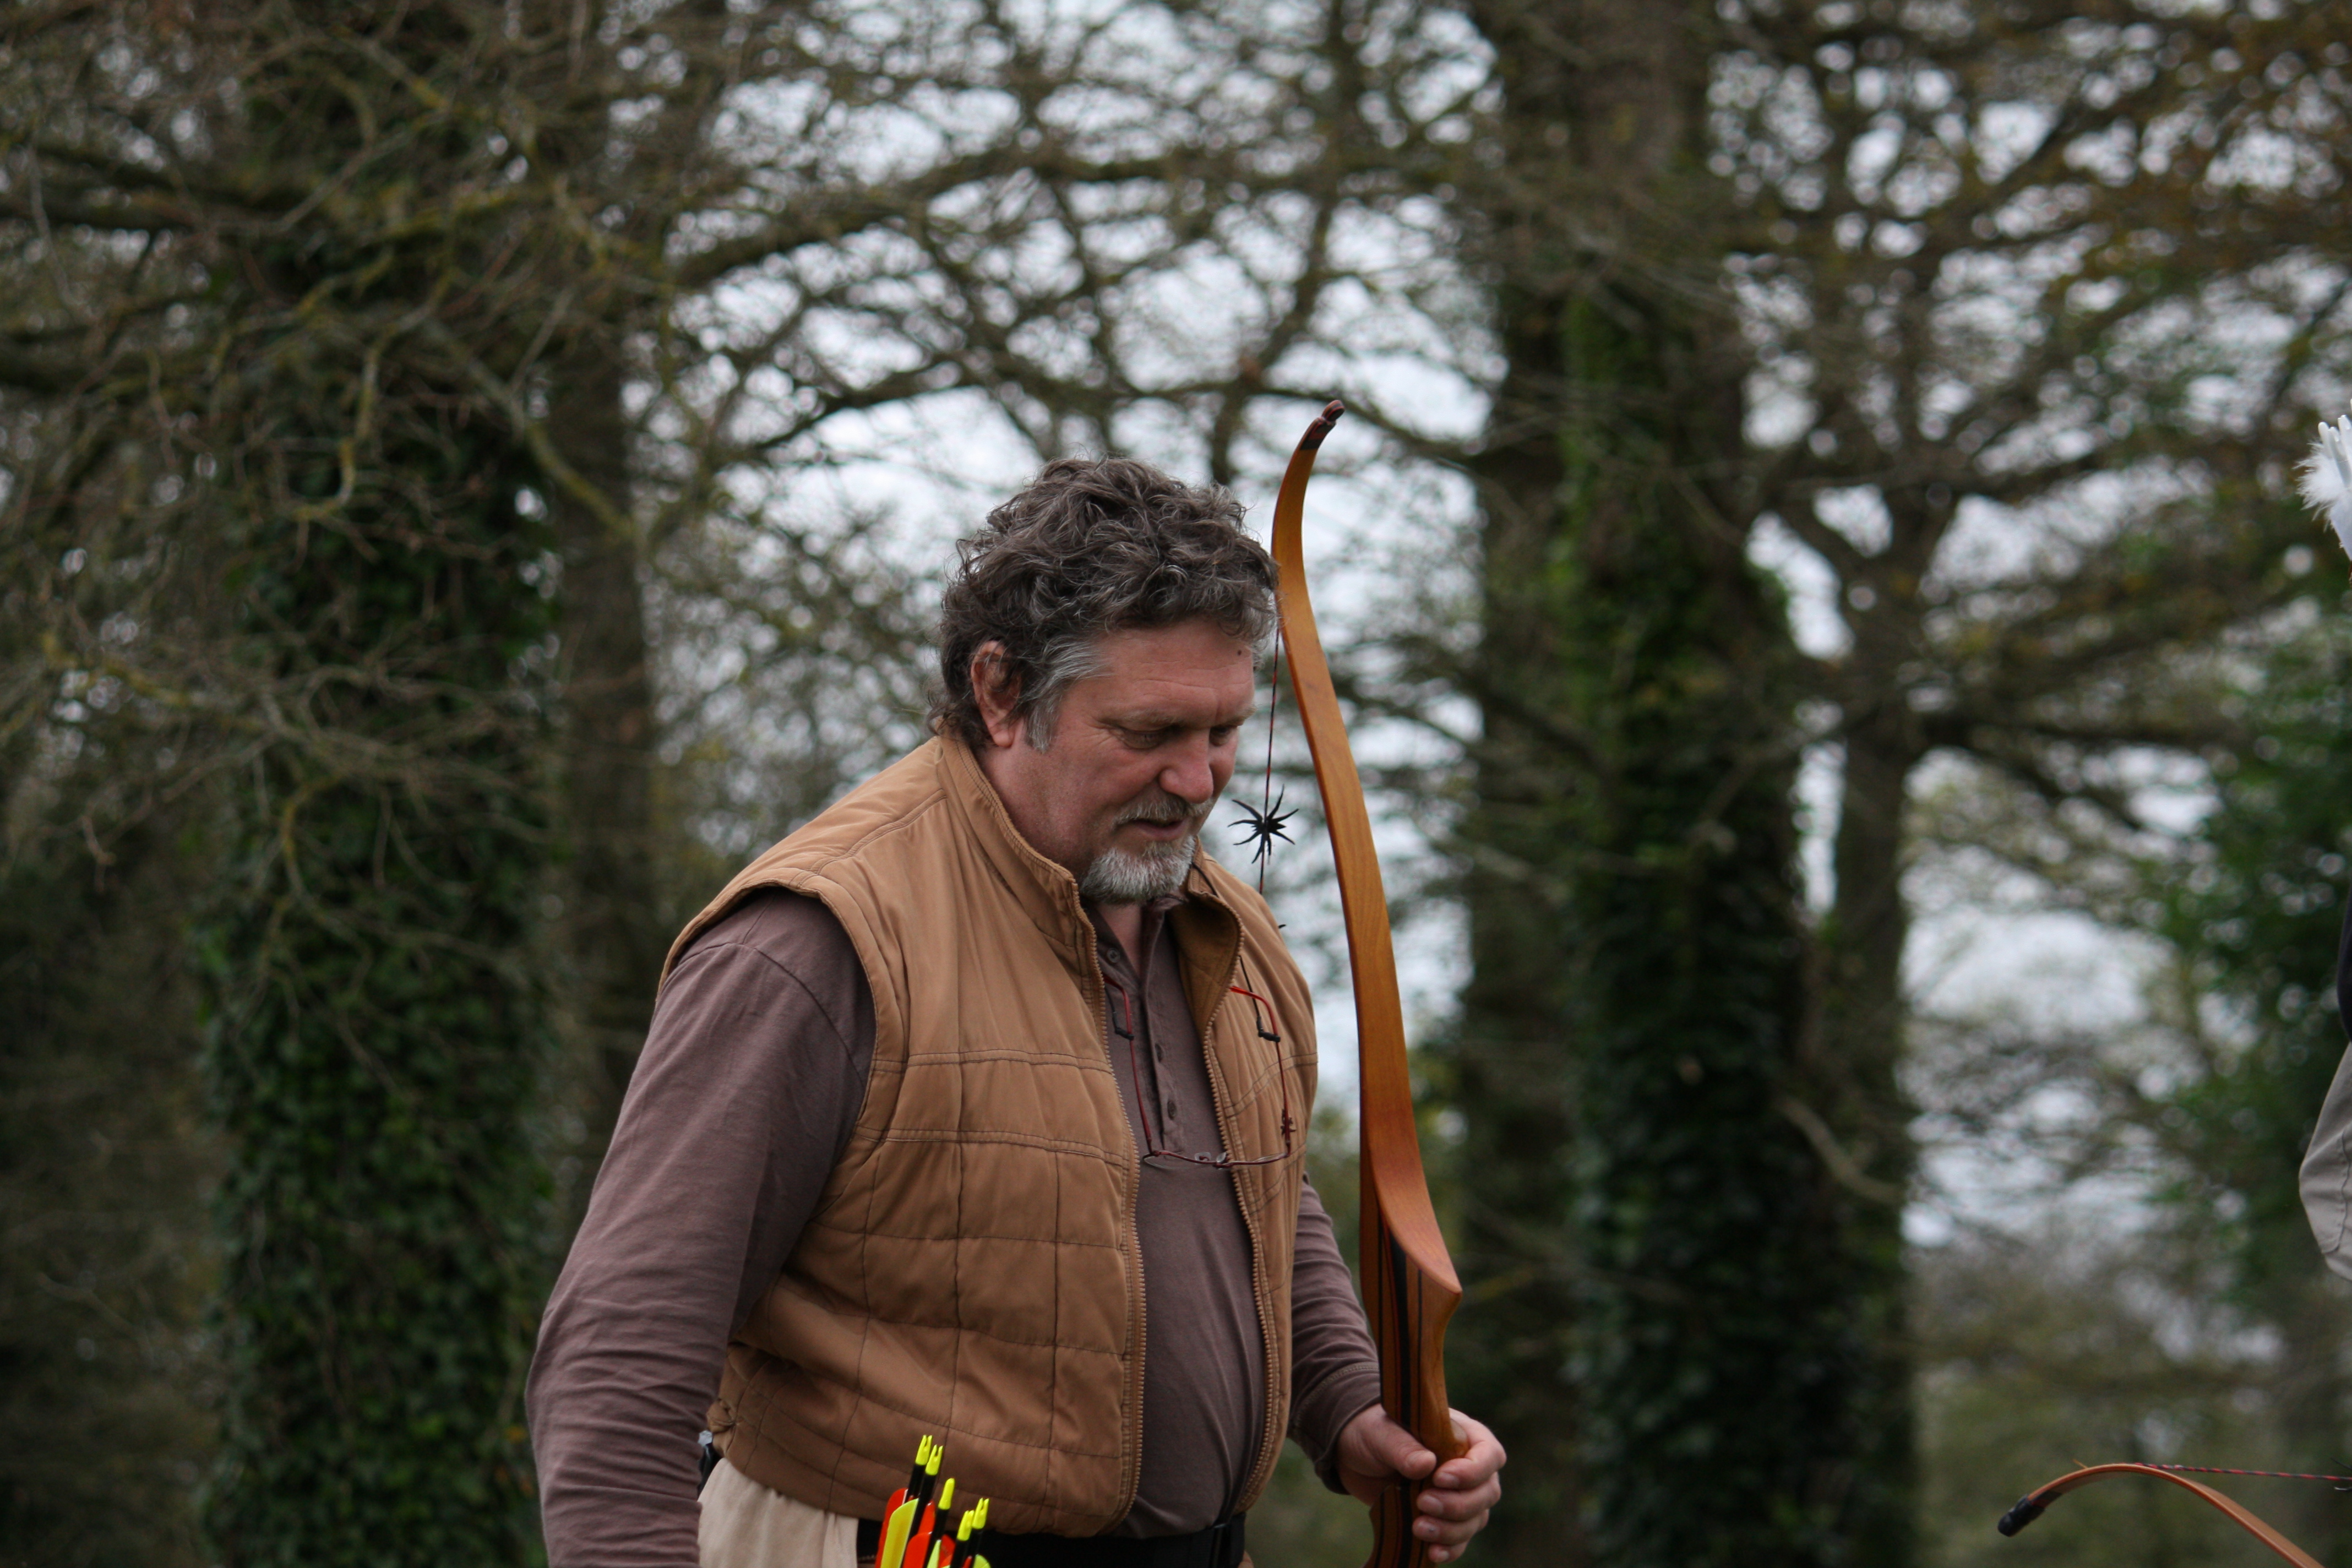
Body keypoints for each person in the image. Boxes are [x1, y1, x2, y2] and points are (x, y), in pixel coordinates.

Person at [527, 457, 1506, 1568]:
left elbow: (1259, 1192)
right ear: (1001, 694)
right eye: (1149, 732)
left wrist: (1352, 1403)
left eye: (1224, 731)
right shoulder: (819, 942)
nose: (1200, 781)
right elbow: (620, 1359)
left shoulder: (1222, 923)